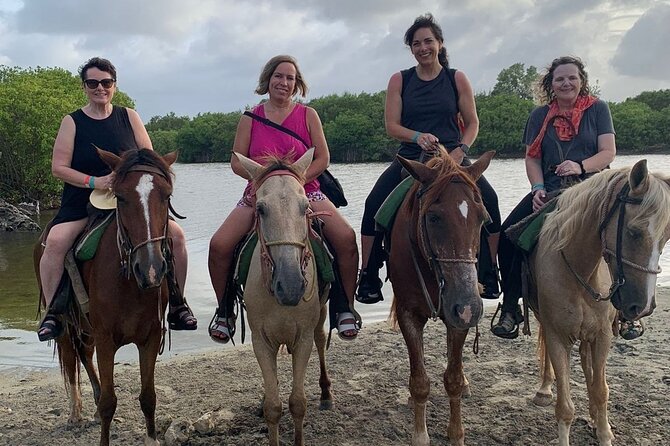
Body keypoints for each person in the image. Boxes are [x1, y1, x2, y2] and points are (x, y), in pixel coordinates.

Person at [37, 57, 197, 341]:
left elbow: (149, 160)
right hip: (83, 202)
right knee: (56, 243)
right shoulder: (72, 121)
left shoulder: (129, 116)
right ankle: (54, 313)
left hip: (131, 200)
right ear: (84, 87)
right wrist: (94, 181)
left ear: (114, 85)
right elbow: (57, 167)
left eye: (106, 82)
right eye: (93, 83)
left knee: (178, 237)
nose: (100, 88)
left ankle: (177, 303)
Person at [208, 55, 360, 343]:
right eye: (279, 76)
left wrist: (295, 182)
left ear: (297, 83)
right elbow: (236, 161)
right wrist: (266, 181)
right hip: (260, 194)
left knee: (346, 237)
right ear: (268, 80)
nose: (284, 82)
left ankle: (344, 306)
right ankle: (225, 310)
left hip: (306, 191)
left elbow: (323, 157)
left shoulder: (308, 115)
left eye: (290, 78)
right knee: (219, 245)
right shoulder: (250, 117)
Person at [490, 56, 644, 340]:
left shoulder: (598, 109)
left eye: (572, 77)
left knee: (623, 236)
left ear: (581, 80)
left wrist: (580, 165)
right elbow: (532, 157)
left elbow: (608, 153)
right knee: (509, 237)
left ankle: (626, 314)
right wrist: (536, 187)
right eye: (559, 78)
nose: (566, 83)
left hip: (594, 187)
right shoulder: (539, 116)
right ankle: (510, 307)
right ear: (551, 84)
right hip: (550, 190)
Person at [356, 13, 501, 303]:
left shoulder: (455, 77)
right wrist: (416, 136)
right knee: (375, 204)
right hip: (413, 157)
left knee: (490, 200)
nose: (423, 48)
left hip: (453, 156)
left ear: (440, 44)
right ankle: (369, 275)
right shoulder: (401, 79)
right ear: (411, 48)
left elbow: (472, 123)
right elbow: (391, 126)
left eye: (428, 41)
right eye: (416, 43)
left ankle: (488, 271)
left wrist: (462, 149)